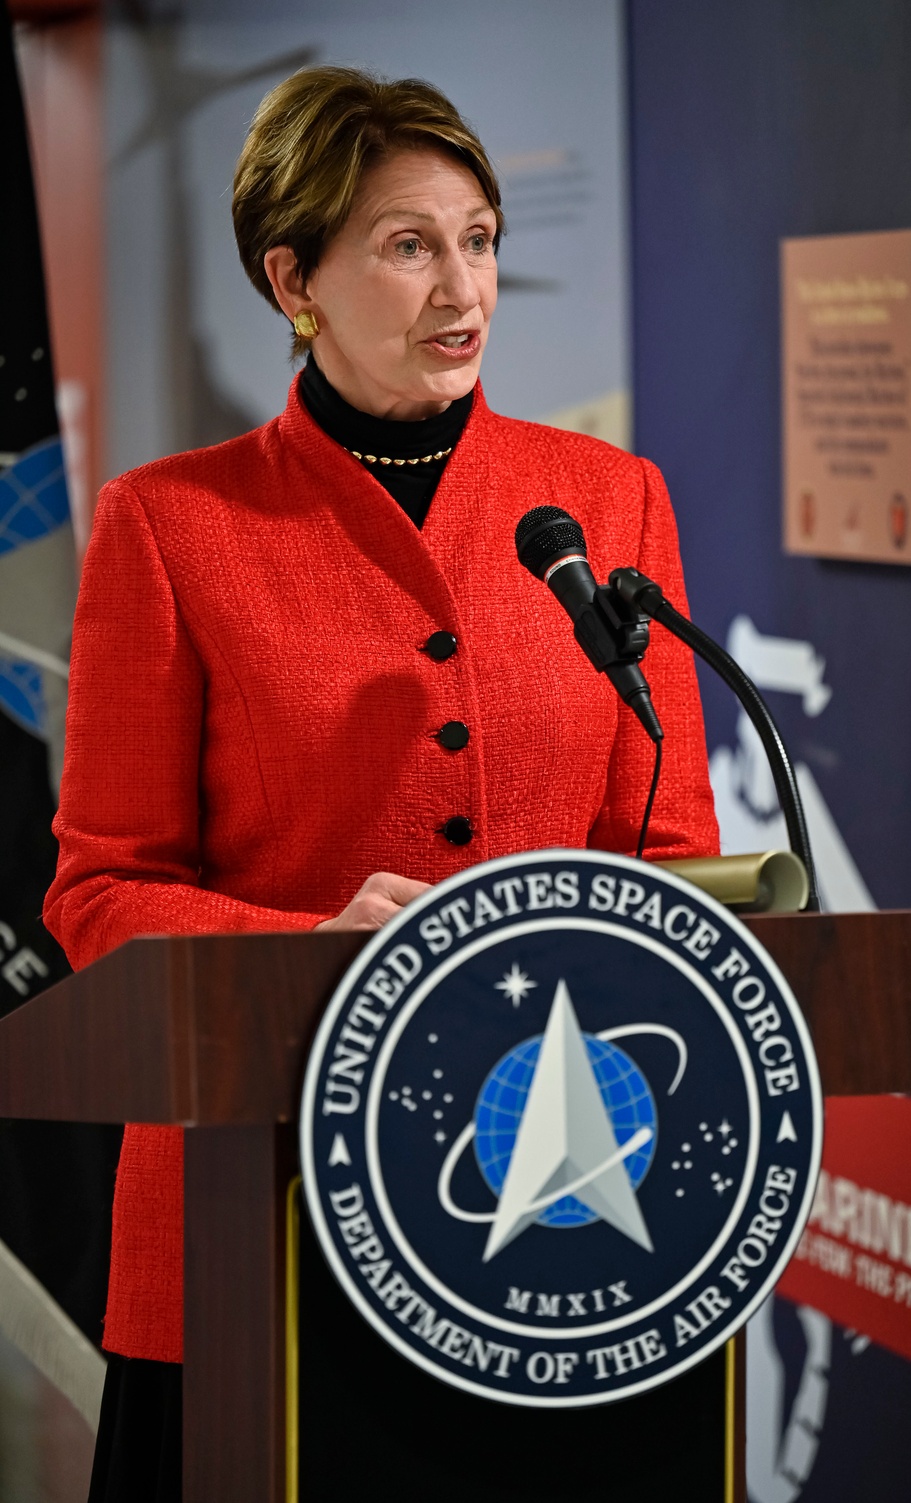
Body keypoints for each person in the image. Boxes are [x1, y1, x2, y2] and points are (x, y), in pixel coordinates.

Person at [44, 66, 718, 1501]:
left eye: (477, 238)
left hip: (560, 1213)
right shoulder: (168, 528)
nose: (462, 287)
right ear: (293, 277)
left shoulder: (609, 501)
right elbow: (99, 893)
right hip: (265, 1209)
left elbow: (667, 846)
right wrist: (321, 959)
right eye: (407, 246)